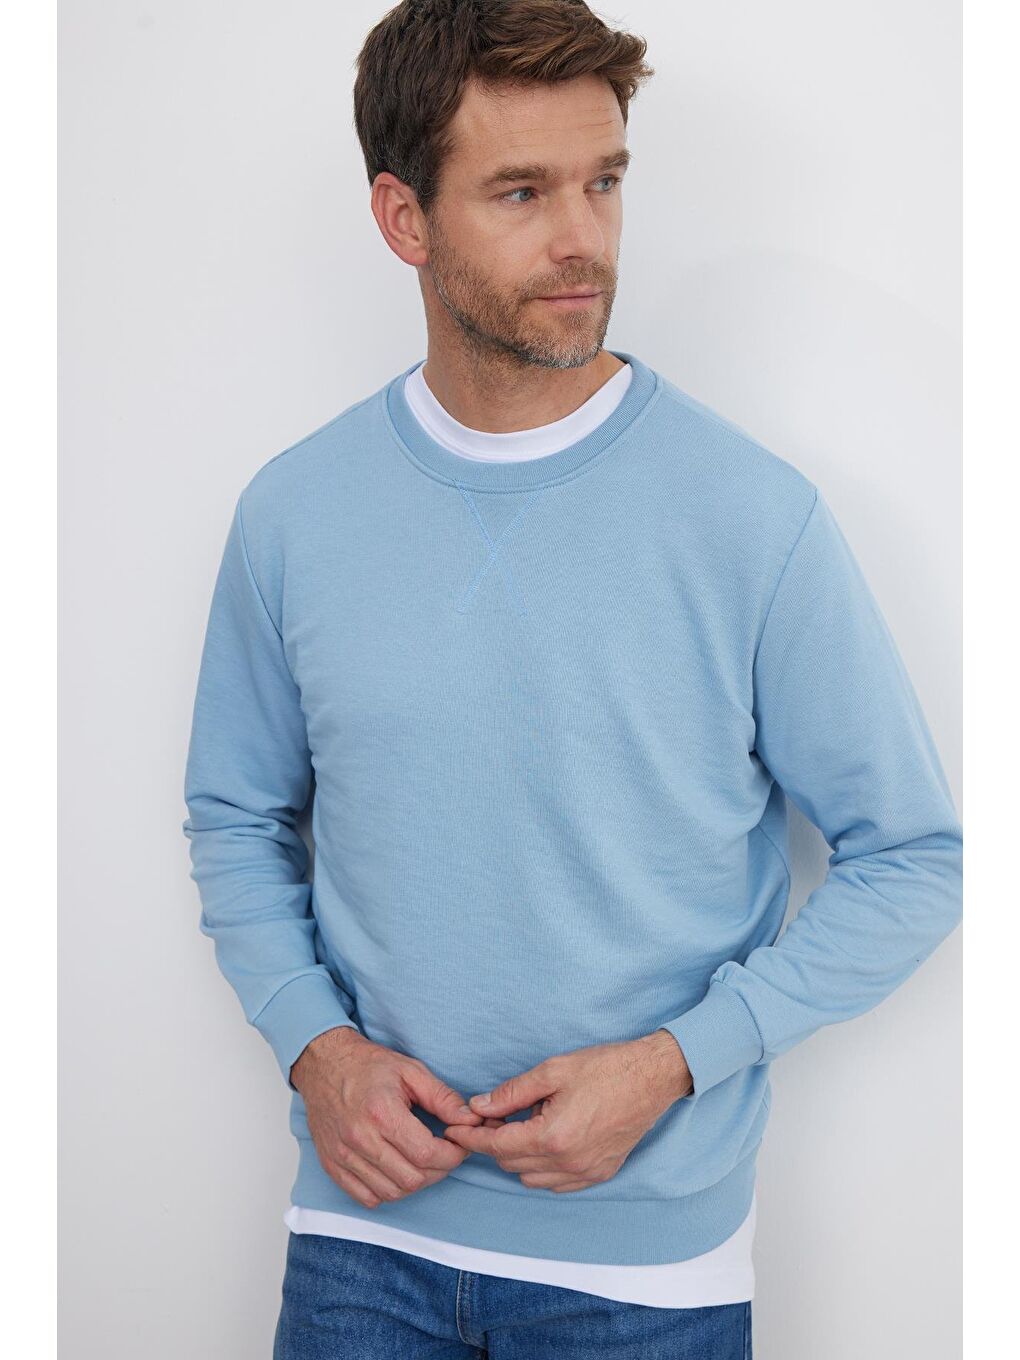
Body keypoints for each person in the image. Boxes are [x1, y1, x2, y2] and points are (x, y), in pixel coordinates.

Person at [181, 2, 963, 1355]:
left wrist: (673, 1065)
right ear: (404, 218)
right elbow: (236, 814)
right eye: (521, 192)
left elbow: (914, 857)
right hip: (363, 1242)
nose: (582, 239)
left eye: (603, 182)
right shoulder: (294, 513)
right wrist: (319, 1048)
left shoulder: (750, 516)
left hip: (643, 1273)